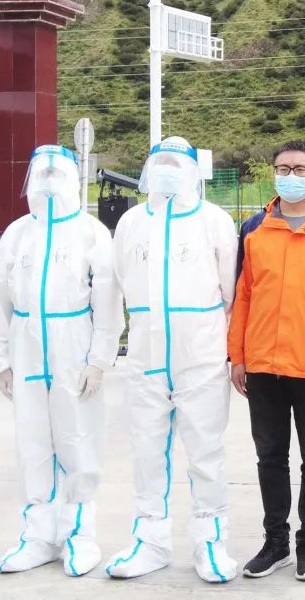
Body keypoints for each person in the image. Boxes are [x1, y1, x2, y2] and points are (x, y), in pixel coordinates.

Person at [0, 144, 124, 576]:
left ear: (72, 179)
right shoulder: (18, 232)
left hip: (72, 341)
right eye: (39, 175)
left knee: (77, 437)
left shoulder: (91, 232)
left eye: (55, 174)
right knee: (32, 441)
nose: (46, 184)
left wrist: (99, 359)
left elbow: (107, 298)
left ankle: (79, 534)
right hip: (26, 342)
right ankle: (38, 535)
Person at [105, 136, 240, 583]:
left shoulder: (213, 220)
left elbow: (230, 289)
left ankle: (211, 540)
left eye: (174, 164)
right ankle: (150, 541)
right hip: (146, 353)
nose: (165, 171)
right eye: (158, 162)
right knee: (147, 449)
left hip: (200, 352)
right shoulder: (130, 222)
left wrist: (213, 337)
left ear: (191, 172)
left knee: (205, 450)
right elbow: (121, 279)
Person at [228, 141, 305, 581]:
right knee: (270, 456)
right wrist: (238, 355)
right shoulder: (254, 228)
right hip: (263, 364)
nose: (291, 175)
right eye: (283, 168)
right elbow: (244, 295)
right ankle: (275, 542)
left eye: (301, 169)